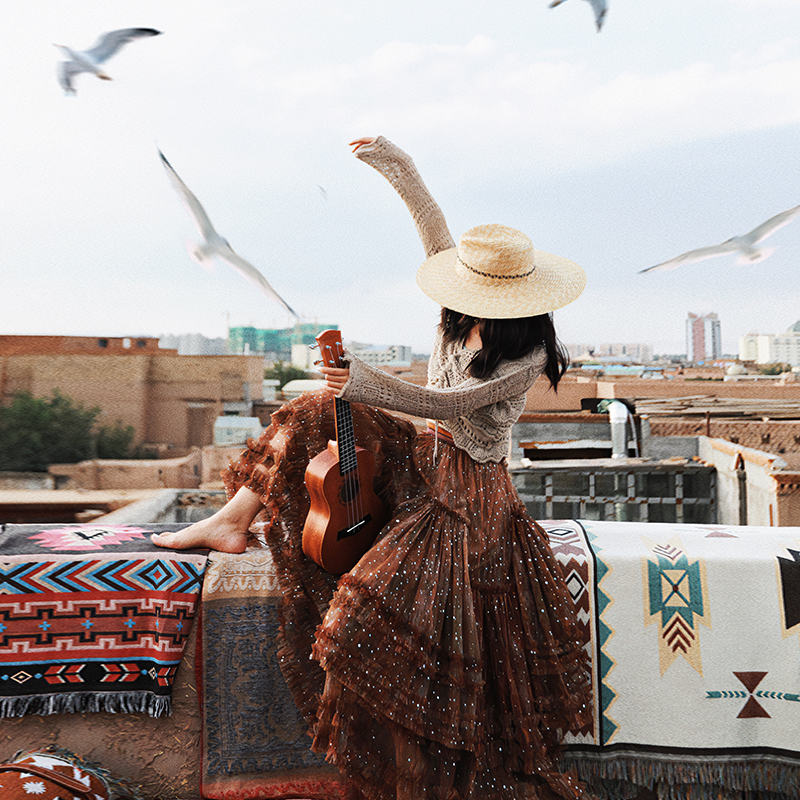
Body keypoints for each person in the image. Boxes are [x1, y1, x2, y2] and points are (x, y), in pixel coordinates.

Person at [153, 136, 590, 800]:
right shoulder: (460, 307)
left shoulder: (524, 356)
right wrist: (395, 162)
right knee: (310, 407)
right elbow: (433, 226)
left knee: (356, 619)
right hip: (427, 456)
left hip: (469, 497)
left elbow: (447, 403)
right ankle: (229, 520)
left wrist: (363, 380)